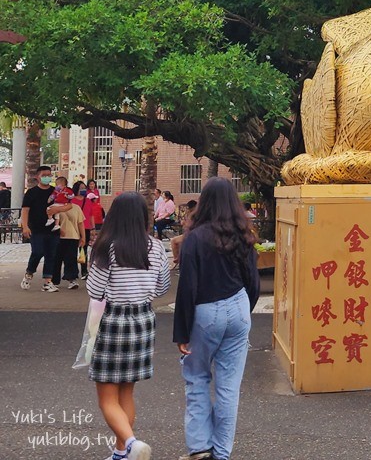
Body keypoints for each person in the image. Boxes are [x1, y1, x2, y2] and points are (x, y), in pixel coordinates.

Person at [174, 177, 260, 460]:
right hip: (238, 308)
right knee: (228, 386)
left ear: (204, 203)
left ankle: (200, 447)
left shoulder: (194, 238)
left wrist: (182, 332)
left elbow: (187, 286)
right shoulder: (243, 234)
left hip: (205, 312)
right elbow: (253, 282)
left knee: (197, 378)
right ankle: (221, 454)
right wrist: (245, 312)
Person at [87, 192, 171, 460]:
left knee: (107, 397)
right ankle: (121, 452)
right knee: (126, 390)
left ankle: (131, 443)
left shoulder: (106, 246)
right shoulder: (156, 247)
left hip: (115, 321)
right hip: (144, 320)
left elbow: (95, 290)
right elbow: (163, 287)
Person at [20, 166, 70, 292]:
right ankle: (29, 272)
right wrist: (25, 227)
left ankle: (48, 282)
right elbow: (25, 210)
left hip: (53, 229)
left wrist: (58, 209)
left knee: (51, 255)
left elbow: (69, 205)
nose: (47, 177)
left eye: (49, 174)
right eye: (44, 175)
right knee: (37, 252)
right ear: (38, 177)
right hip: (36, 229)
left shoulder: (56, 191)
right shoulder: (31, 193)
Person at [51, 188, 86, 290]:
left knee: (71, 259)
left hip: (73, 236)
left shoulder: (76, 208)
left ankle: (72, 279)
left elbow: (80, 223)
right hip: (58, 237)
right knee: (56, 259)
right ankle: (54, 280)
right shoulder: (55, 207)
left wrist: (83, 237)